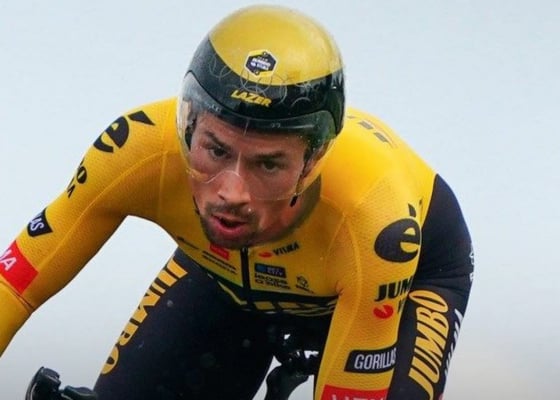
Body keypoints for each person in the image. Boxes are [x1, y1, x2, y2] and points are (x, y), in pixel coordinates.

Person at [0, 5, 474, 400]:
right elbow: (14, 287)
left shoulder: (372, 217)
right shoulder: (137, 150)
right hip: (226, 269)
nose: (231, 193)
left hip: (400, 284)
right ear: (188, 129)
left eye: (268, 164)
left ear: (312, 161)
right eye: (216, 151)